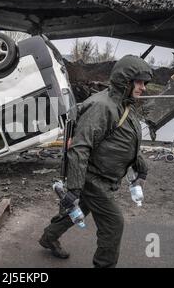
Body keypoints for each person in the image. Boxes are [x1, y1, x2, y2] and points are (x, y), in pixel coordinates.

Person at [39, 55, 153, 268]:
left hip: (102, 176)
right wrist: (73, 187)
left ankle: (48, 237)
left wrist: (142, 169)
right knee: (113, 224)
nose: (143, 88)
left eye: (144, 83)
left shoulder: (123, 104)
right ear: (125, 80)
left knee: (79, 209)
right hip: (94, 178)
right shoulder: (103, 106)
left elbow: (125, 141)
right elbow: (80, 147)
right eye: (139, 82)